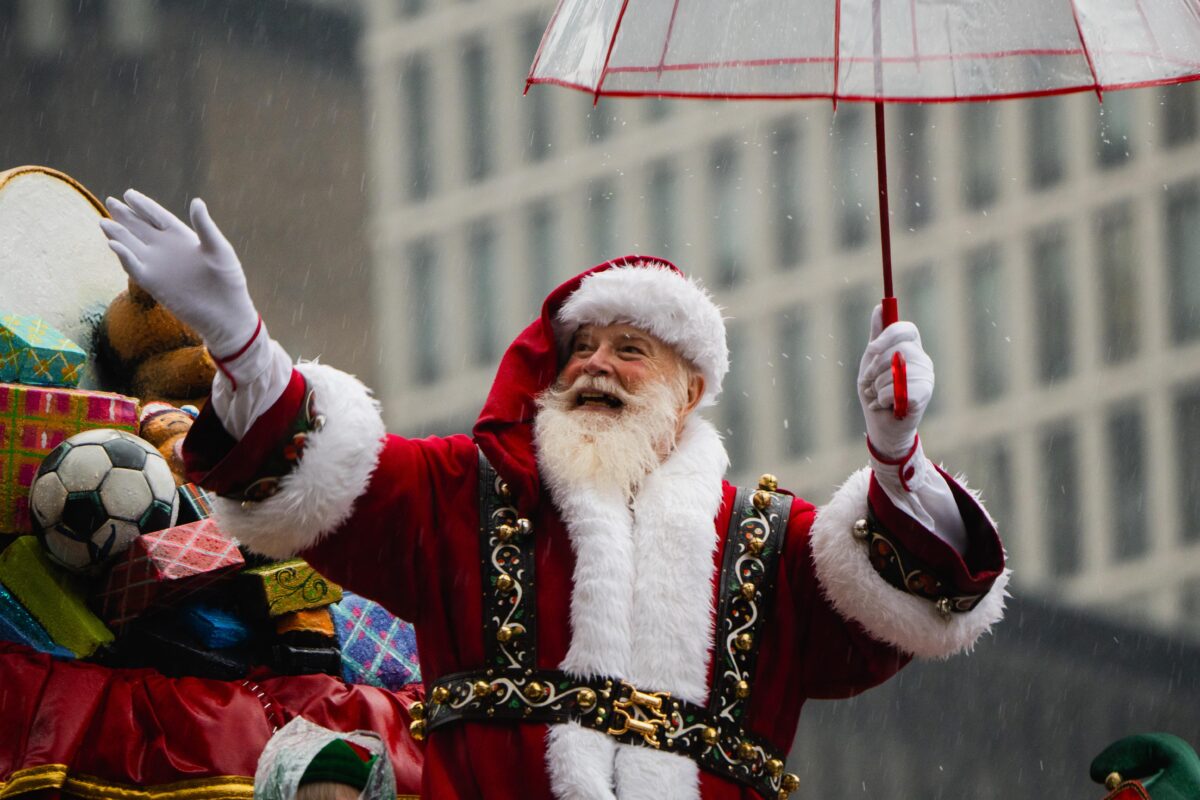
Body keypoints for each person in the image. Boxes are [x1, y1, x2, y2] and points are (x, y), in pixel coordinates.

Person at [99, 190, 1008, 800]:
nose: (597, 366)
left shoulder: (768, 546)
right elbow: (330, 481)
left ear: (688, 392)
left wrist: (895, 460)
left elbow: (904, 609)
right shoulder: (469, 497)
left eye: (630, 348)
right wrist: (242, 344)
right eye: (581, 348)